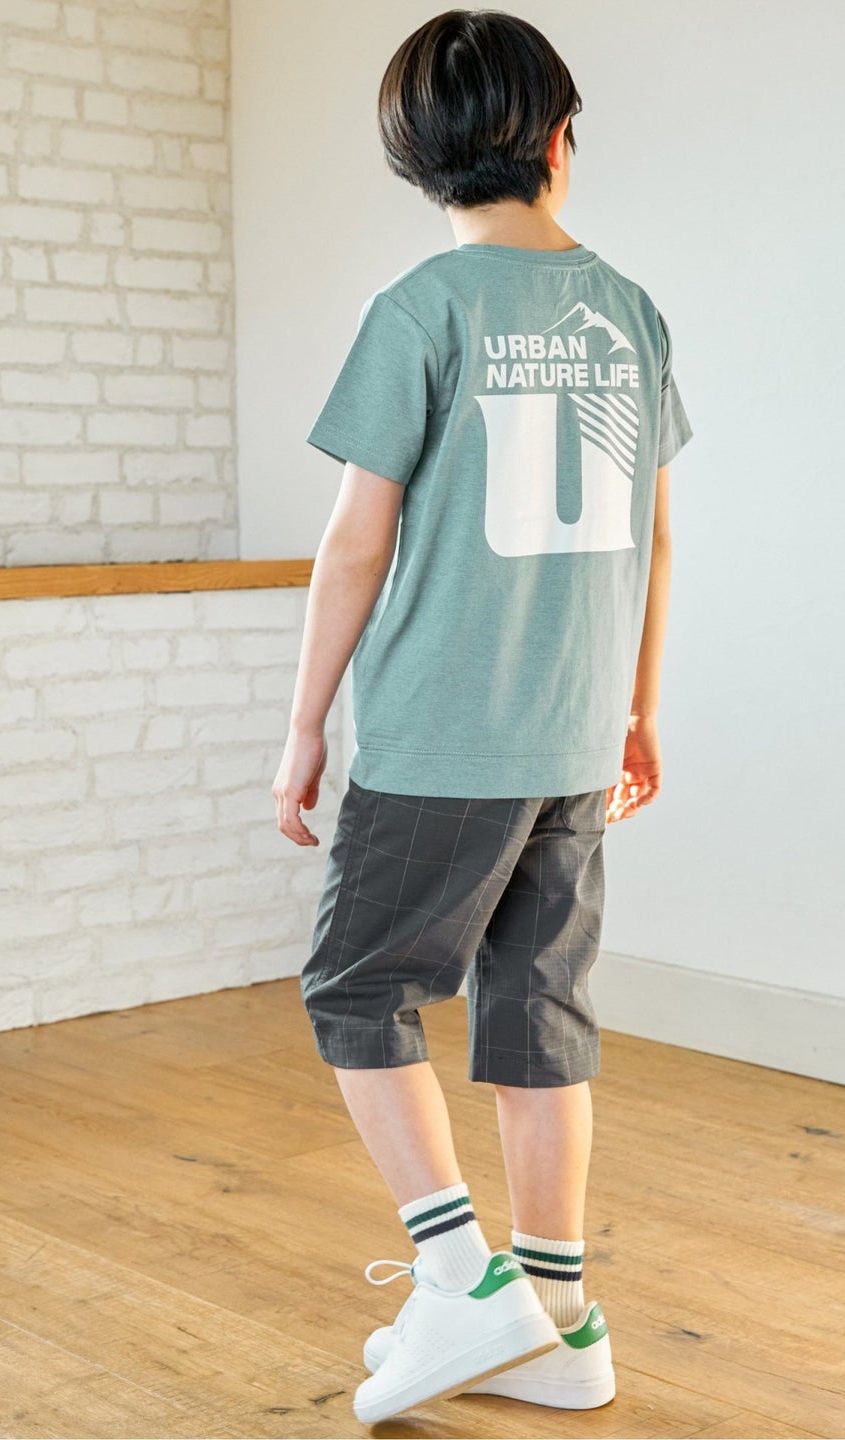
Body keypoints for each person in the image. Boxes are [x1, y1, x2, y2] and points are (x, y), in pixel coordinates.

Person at [271, 7, 694, 1426]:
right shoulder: (630, 311)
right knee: (537, 1010)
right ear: (562, 143)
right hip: (575, 735)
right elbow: (656, 537)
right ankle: (560, 1323)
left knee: (357, 990)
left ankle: (463, 1281)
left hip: (445, 737)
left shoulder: (419, 311)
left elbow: (355, 543)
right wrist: (638, 710)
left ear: (413, 158)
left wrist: (304, 725)